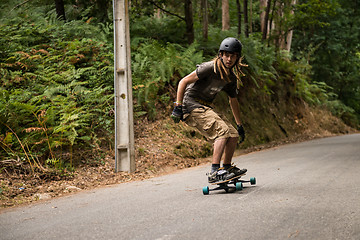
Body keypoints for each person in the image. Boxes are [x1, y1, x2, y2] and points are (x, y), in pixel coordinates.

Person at [171, 37, 247, 183]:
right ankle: (214, 172)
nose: (229, 59)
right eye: (226, 55)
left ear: (237, 58)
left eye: (233, 56)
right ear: (221, 54)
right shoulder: (210, 67)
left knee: (233, 134)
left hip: (205, 106)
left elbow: (233, 100)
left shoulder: (231, 78)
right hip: (190, 105)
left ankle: (227, 168)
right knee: (222, 131)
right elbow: (183, 81)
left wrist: (240, 125)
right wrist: (177, 106)